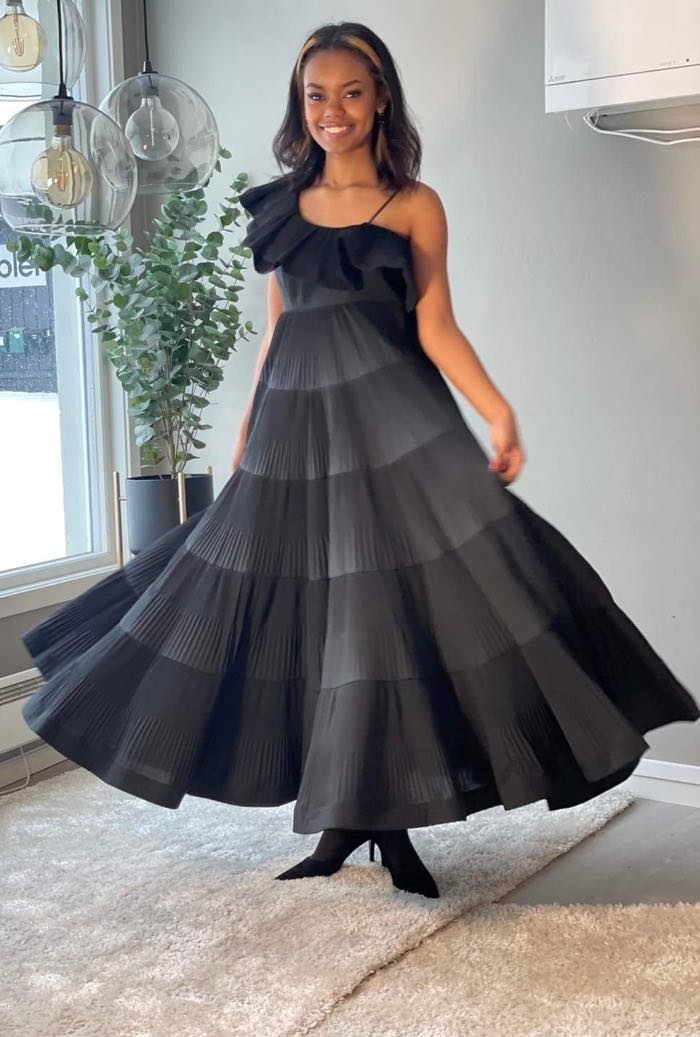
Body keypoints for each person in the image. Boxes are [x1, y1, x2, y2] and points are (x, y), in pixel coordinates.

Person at [20, 22, 698, 901]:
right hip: (297, 434)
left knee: (400, 611)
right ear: (300, 106)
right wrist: (246, 428)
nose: (332, 110)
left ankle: (386, 822)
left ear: (380, 99)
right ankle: (349, 819)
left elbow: (436, 326)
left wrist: (497, 411)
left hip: (395, 427)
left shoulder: (415, 205)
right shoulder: (280, 205)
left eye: (349, 92)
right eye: (316, 95)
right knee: (297, 612)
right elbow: (278, 329)